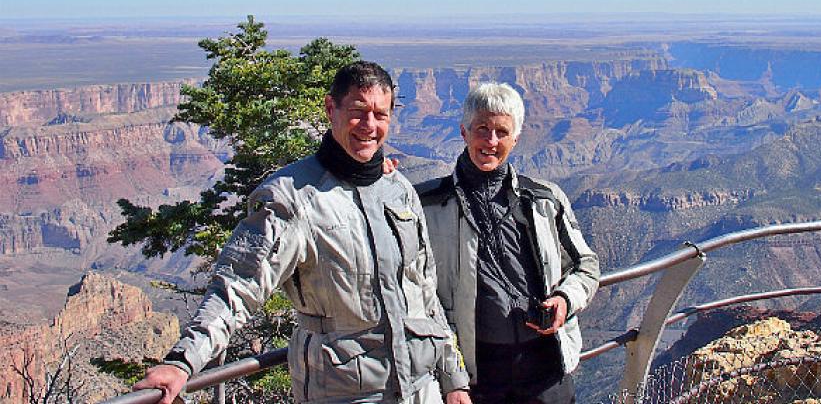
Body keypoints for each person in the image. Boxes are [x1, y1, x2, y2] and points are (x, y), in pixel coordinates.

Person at [134, 61, 471, 404]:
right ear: (331, 109)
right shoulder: (291, 198)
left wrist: (453, 380)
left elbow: (425, 293)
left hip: (421, 389)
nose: (369, 125)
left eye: (380, 114)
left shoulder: (399, 190)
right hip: (345, 394)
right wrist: (183, 361)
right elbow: (237, 287)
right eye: (357, 111)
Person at [416, 82, 600, 404]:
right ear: (463, 131)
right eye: (481, 129)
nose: (491, 141)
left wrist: (565, 301)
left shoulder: (545, 201)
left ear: (515, 138)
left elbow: (586, 265)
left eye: (501, 132)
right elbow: (420, 298)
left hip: (546, 367)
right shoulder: (429, 207)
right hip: (477, 374)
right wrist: (451, 377)